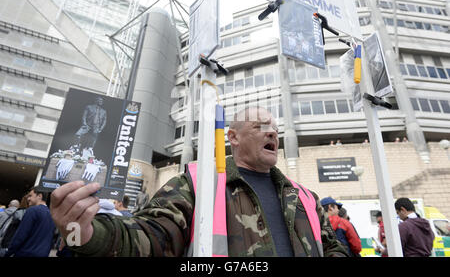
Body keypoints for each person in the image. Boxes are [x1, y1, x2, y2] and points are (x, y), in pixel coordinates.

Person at [50, 106, 349, 257]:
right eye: (260, 127)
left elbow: (332, 247)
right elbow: (150, 236)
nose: (272, 133)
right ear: (231, 137)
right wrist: (84, 233)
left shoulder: (304, 197)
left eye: (274, 128)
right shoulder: (196, 185)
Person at [4, 187, 56, 257]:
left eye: (30, 196)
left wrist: (8, 252)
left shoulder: (32, 210)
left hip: (25, 253)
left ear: (39, 196)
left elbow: (20, 235)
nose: (28, 199)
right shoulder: (52, 215)